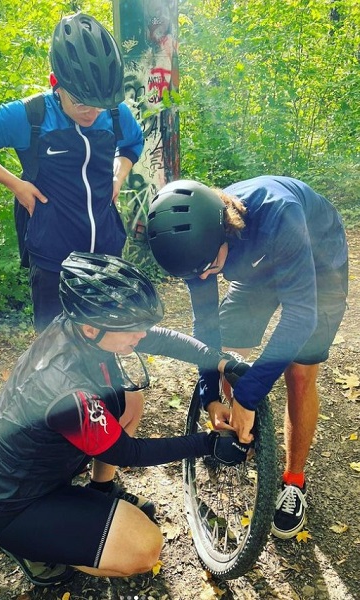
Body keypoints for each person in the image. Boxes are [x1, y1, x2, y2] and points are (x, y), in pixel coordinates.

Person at [0, 251, 250, 586]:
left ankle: (101, 489)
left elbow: (159, 339)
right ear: (91, 328)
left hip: (36, 470)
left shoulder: (81, 328)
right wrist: (208, 444)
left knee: (130, 399)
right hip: (16, 505)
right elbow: (127, 452)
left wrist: (220, 361)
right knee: (145, 548)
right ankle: (37, 549)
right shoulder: (64, 388)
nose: (142, 336)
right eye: (133, 330)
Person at [147, 176, 348, 540]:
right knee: (229, 357)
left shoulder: (278, 216)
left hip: (318, 261)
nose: (203, 277)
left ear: (225, 231)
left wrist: (249, 394)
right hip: (255, 268)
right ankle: (242, 431)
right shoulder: (196, 250)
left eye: (208, 267)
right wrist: (210, 396)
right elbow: (206, 327)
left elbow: (301, 317)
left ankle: (294, 481)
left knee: (299, 373)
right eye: (194, 273)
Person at [0, 12, 144, 334]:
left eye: (100, 103)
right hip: (54, 258)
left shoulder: (114, 112)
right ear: (56, 83)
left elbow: (133, 143)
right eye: (81, 103)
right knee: (54, 345)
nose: (93, 113)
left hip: (107, 249)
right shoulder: (30, 115)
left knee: (107, 338)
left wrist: (118, 176)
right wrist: (16, 184)